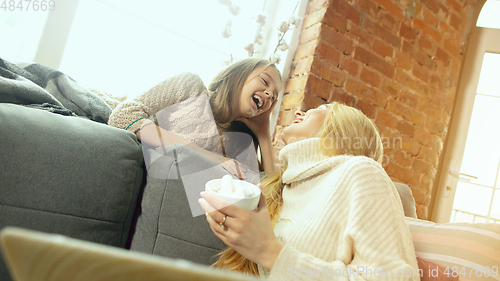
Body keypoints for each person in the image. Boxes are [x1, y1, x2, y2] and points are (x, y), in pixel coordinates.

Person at [198, 102, 419, 280]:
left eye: (322, 108)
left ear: (342, 128)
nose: (302, 111)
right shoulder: (278, 187)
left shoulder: (361, 171)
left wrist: (270, 252)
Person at [108, 58, 282, 177]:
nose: (268, 94)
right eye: (265, 81)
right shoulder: (190, 86)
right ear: (239, 74)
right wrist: (205, 155)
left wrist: (264, 135)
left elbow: (266, 196)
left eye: (274, 97)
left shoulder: (241, 142)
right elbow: (123, 116)